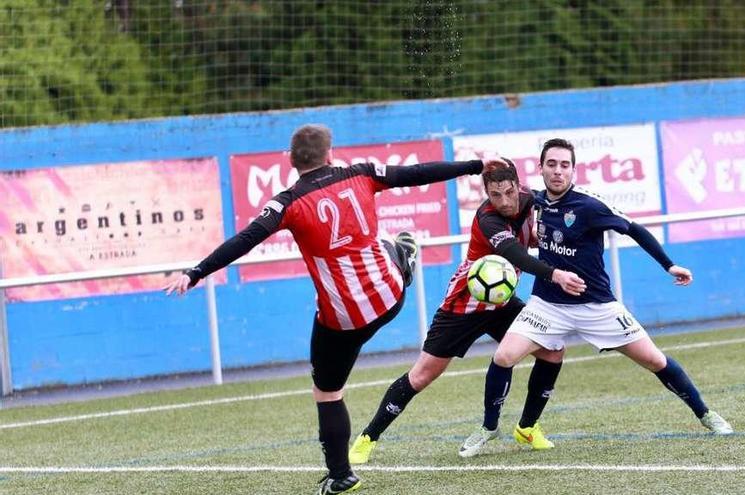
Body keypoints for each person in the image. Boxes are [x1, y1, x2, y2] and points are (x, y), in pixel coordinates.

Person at [164, 124, 509, 494]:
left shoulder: (287, 202)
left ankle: (341, 475)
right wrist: (476, 165)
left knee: (328, 393)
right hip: (390, 295)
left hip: (343, 318)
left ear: (291, 161)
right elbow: (417, 173)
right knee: (382, 250)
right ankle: (402, 257)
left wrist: (196, 272)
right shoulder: (360, 173)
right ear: (331, 154)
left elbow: (245, 240)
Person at [462, 138, 733, 457]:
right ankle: (489, 428)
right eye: (552, 164)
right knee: (504, 356)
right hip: (547, 304)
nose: (558, 171)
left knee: (654, 360)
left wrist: (669, 264)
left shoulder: (589, 205)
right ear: (541, 168)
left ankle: (705, 414)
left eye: (564, 165)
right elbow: (504, 207)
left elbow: (634, 230)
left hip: (597, 306)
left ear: (573, 170)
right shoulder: (534, 201)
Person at [347, 161, 586, 463]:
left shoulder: (533, 200)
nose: (504, 201)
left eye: (509, 192)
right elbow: (518, 256)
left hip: (501, 302)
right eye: (495, 195)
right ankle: (368, 437)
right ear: (486, 193)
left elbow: (544, 232)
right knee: (421, 376)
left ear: (518, 186)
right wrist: (555, 274)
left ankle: (527, 426)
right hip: (465, 303)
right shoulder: (487, 219)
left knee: (553, 351)